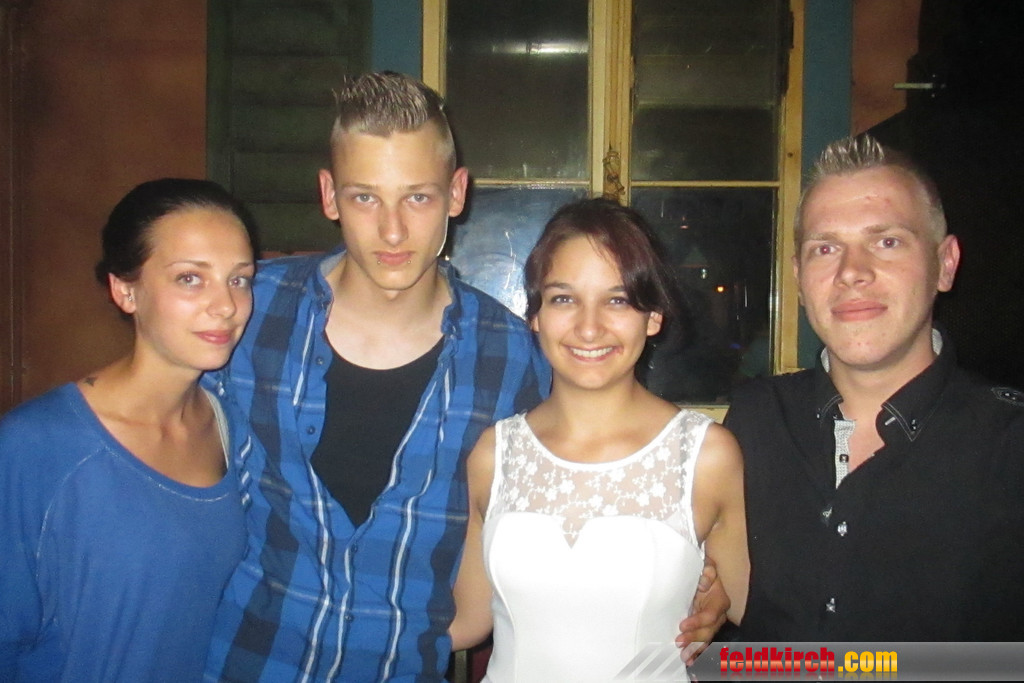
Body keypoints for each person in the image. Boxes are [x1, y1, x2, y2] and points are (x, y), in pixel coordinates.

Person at [202, 72, 728, 682]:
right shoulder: (245, 314)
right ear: (329, 195)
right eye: (365, 198)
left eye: (417, 198)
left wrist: (701, 575)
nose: (392, 230)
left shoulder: (515, 358)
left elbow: (612, 485)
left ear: (456, 193)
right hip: (245, 664)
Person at [726, 134, 1024, 640]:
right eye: (825, 248)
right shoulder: (753, 422)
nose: (852, 273)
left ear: (945, 264)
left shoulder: (1009, 446)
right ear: (799, 278)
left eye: (887, 242)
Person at [449, 198, 749, 680]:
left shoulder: (706, 455)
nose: (589, 327)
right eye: (564, 299)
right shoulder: (493, 454)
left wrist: (717, 613)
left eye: (617, 300)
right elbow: (466, 621)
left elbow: (767, 618)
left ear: (653, 316)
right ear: (535, 315)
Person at [0, 178, 258, 680]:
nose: (226, 305)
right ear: (126, 290)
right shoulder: (38, 445)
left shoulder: (231, 426)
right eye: (190, 278)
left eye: (240, 279)